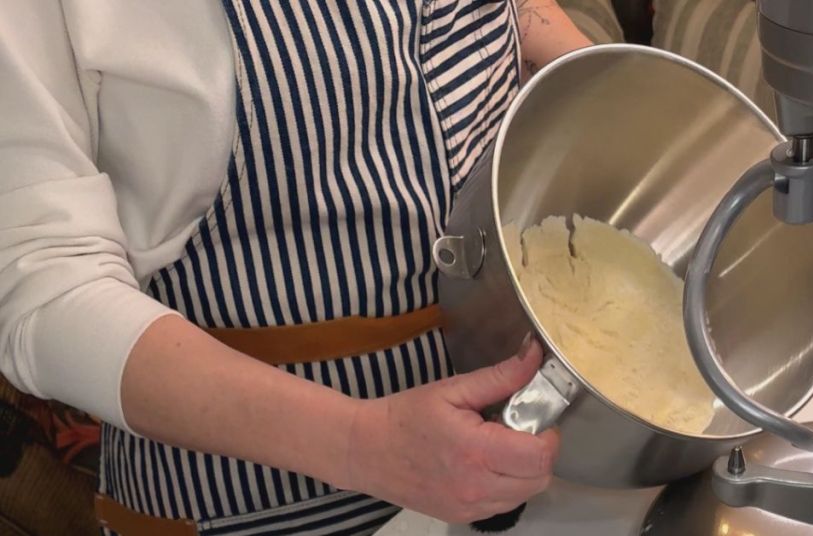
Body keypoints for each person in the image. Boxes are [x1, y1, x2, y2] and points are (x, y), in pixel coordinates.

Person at [0, 0, 591, 533]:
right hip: (266, 502)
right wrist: (363, 444)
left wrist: (616, 89)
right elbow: (45, 285)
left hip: (543, 437)